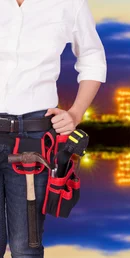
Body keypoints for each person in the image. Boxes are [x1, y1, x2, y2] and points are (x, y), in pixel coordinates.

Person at [0, 0, 106, 256]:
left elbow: (92, 56)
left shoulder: (69, 3)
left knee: (27, 247)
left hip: (33, 139)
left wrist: (76, 113)